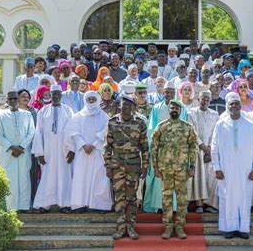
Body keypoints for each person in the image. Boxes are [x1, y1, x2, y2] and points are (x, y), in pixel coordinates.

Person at [211, 92, 253, 239]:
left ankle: (243, 228)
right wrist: (217, 168)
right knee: (228, 197)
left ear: (240, 105)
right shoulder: (220, 124)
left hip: (246, 169)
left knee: (245, 197)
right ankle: (229, 228)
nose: (234, 106)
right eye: (231, 104)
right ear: (227, 106)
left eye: (236, 103)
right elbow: (214, 148)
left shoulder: (250, 125)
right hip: (226, 169)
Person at [151, 99, 198, 239]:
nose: (174, 110)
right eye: (172, 108)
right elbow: (154, 147)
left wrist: (192, 166)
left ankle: (179, 226)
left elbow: (193, 148)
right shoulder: (161, 127)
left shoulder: (188, 127)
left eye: (177, 108)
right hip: (166, 169)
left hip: (182, 169)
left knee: (182, 199)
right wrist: (155, 166)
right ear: (169, 110)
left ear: (181, 110)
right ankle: (167, 227)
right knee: (166, 198)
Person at [104, 95, 149, 240]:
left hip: (134, 165)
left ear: (134, 108)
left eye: (129, 106)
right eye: (123, 105)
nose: (126, 108)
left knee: (132, 197)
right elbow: (107, 146)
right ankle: (120, 227)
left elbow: (144, 146)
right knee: (119, 197)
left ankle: (131, 226)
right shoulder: (112, 122)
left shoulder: (140, 123)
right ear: (120, 106)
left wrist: (145, 165)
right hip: (117, 165)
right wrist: (108, 165)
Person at [143, 81, 188, 213]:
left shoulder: (182, 108)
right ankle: (158, 206)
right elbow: (151, 129)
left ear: (175, 93)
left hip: (176, 152)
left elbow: (184, 128)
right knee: (158, 179)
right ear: (163, 93)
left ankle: (173, 208)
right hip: (161, 150)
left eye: (171, 92)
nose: (168, 94)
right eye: (166, 92)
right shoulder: (156, 108)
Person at [65, 91, 113, 213]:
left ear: (97, 100)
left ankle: (100, 205)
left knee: (99, 178)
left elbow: (106, 131)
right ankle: (80, 204)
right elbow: (73, 132)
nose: (91, 101)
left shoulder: (103, 116)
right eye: (89, 99)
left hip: (98, 151)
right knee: (81, 178)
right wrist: (83, 145)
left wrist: (95, 144)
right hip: (82, 152)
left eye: (93, 99)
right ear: (85, 100)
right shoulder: (77, 116)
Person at [32, 85, 74, 213]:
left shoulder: (68, 110)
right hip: (48, 151)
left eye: (57, 94)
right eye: (53, 94)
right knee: (47, 177)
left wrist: (72, 149)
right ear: (50, 95)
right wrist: (39, 152)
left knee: (65, 176)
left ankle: (65, 204)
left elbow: (73, 130)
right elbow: (38, 131)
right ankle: (44, 204)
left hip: (64, 151)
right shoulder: (43, 111)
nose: (55, 96)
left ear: (61, 95)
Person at [0, 91, 35, 211]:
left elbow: (31, 132)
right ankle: (11, 207)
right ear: (7, 101)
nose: (13, 101)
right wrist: (12, 147)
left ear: (18, 100)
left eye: (15, 99)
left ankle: (24, 206)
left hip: (23, 152)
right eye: (10, 99)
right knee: (10, 179)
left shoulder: (27, 115)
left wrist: (21, 147)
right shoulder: (1, 116)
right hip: (8, 153)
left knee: (24, 179)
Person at [188, 91, 219, 213]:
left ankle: (210, 204)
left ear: (210, 100)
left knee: (211, 177)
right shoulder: (192, 113)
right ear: (198, 99)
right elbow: (192, 131)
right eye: (202, 99)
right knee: (199, 177)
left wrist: (210, 149)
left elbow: (217, 132)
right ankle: (199, 204)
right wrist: (203, 147)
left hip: (211, 151)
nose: (205, 101)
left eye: (207, 99)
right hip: (197, 150)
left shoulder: (215, 114)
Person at [17, 89, 39, 204]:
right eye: (23, 96)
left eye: (27, 97)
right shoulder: (12, 112)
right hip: (15, 148)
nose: (25, 99)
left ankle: (30, 201)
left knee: (31, 174)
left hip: (31, 146)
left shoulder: (34, 111)